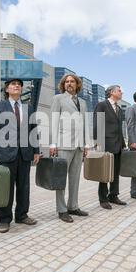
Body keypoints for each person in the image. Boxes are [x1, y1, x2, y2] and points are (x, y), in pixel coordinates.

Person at [0, 79, 40, 233]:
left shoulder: (28, 108)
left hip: (25, 153)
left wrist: (36, 150)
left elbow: (33, 130)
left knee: (24, 187)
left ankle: (22, 215)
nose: (17, 86)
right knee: (6, 188)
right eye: (13, 84)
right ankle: (5, 220)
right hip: (6, 153)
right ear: (7, 89)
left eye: (19, 84)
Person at [50, 74, 91, 223]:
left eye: (72, 81)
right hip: (63, 143)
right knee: (61, 178)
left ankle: (73, 206)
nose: (69, 83)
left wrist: (87, 144)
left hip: (79, 145)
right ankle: (61, 210)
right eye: (66, 82)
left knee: (75, 178)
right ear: (63, 84)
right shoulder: (58, 99)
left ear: (77, 84)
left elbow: (86, 123)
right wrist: (53, 144)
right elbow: (54, 121)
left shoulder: (83, 102)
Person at [93, 85, 127, 210]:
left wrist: (123, 144)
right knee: (104, 172)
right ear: (112, 92)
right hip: (106, 144)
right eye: (119, 90)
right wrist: (98, 142)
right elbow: (97, 123)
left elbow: (119, 128)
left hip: (118, 145)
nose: (121, 92)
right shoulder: (102, 105)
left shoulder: (118, 108)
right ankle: (103, 199)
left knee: (115, 172)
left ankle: (113, 195)